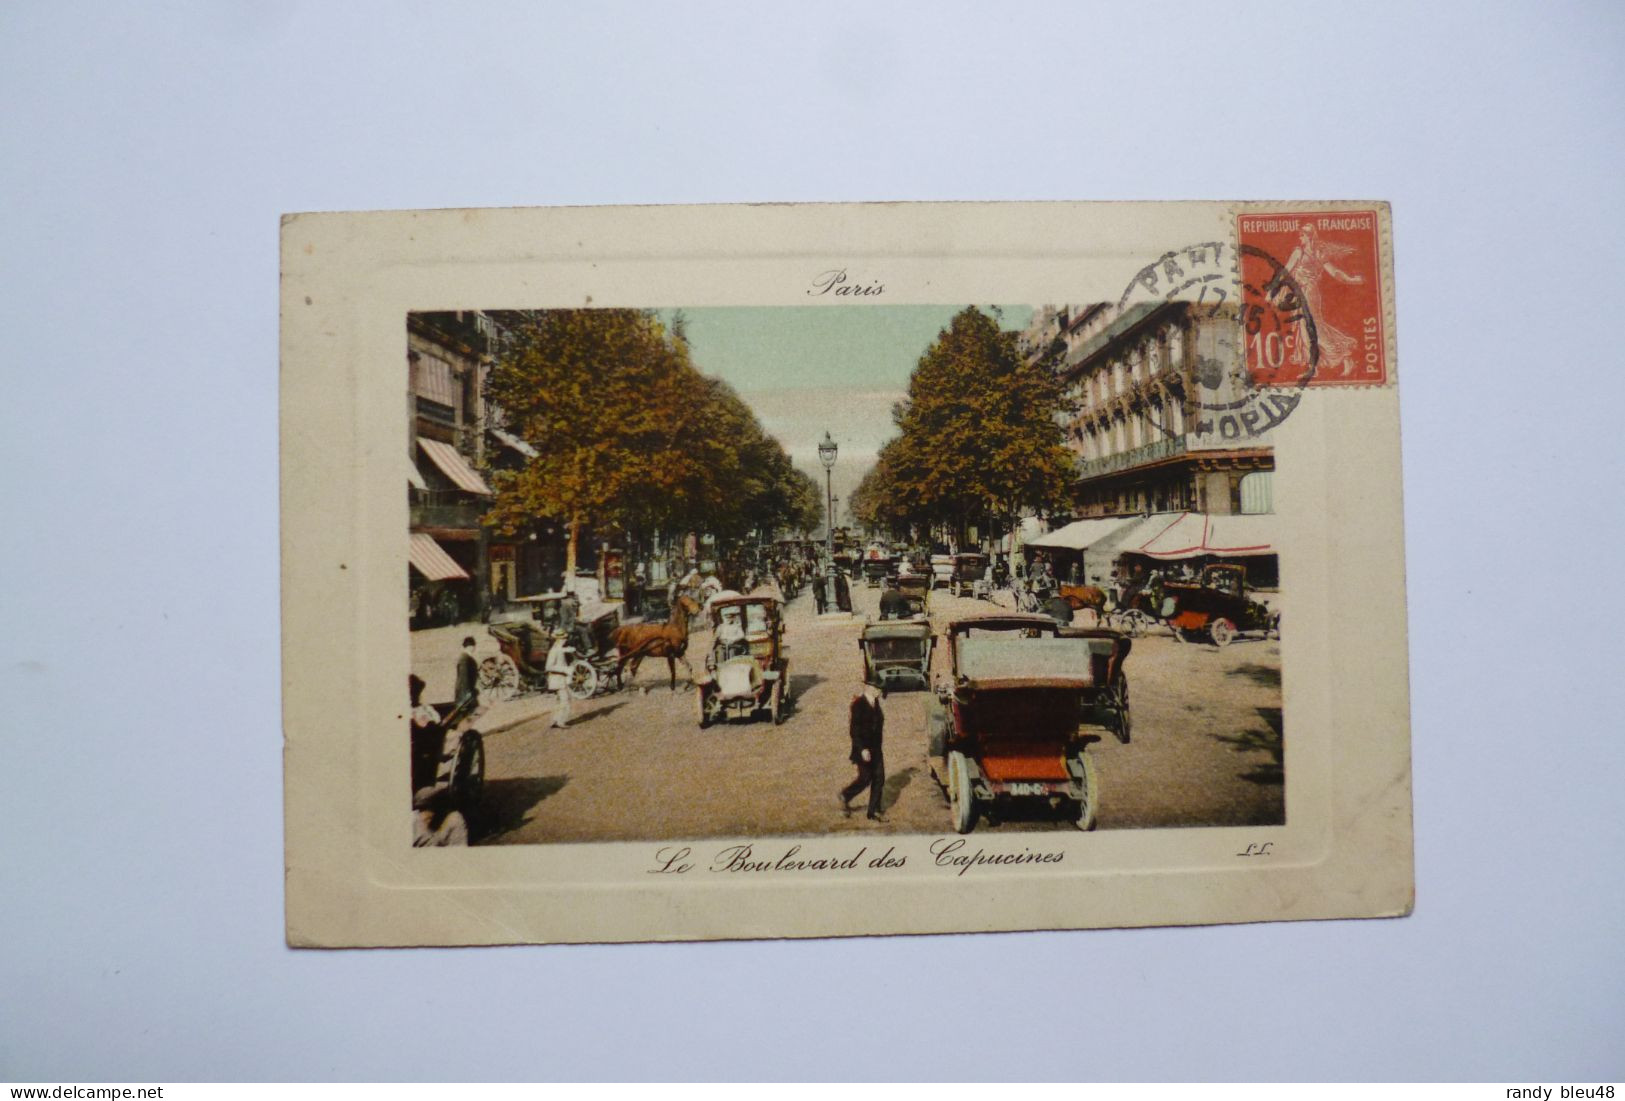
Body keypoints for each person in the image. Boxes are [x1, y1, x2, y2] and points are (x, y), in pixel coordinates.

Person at [840, 682, 886, 821]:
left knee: (879, 778)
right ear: (869, 688)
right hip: (863, 749)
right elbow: (854, 730)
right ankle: (846, 795)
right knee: (865, 778)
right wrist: (862, 749)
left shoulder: (875, 702)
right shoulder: (858, 704)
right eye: (877, 688)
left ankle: (873, 812)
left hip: (876, 748)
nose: (879, 691)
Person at [545, 631, 572, 729]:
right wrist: (565, 669)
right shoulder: (554, 651)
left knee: (559, 701)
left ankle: (555, 720)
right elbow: (548, 667)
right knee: (565, 700)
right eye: (563, 638)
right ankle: (561, 721)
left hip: (559, 679)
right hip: (557, 679)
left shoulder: (558, 649)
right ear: (558, 639)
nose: (565, 640)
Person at [454, 636, 479, 709]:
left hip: (467, 693)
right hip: (465, 696)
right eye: (474, 646)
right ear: (471, 647)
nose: (474, 648)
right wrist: (467, 697)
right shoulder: (465, 658)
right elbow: (463, 679)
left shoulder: (465, 657)